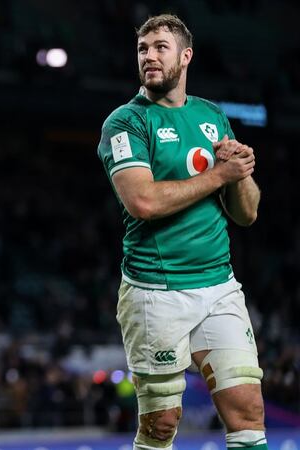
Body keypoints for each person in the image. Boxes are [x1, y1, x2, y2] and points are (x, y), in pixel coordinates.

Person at [97, 14, 266, 450]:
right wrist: (218, 175)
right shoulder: (126, 122)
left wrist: (241, 173)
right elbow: (143, 202)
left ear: (185, 56)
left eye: (160, 47)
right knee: (162, 425)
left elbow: (246, 214)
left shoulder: (211, 115)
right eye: (142, 49)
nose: (149, 56)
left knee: (248, 412)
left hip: (218, 287)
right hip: (155, 290)